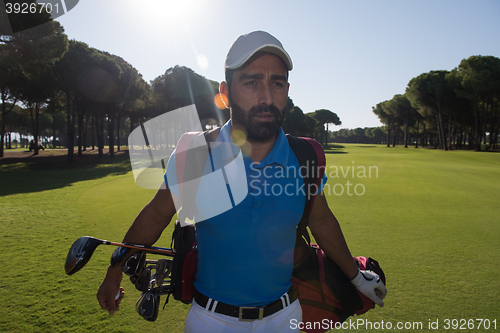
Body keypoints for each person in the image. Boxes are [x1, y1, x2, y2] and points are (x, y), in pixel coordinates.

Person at [97, 31, 386, 332]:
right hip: (210, 319)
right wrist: (115, 268)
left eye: (277, 82)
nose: (267, 97)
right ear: (225, 93)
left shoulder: (304, 156)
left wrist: (355, 276)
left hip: (285, 318)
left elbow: (322, 220)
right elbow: (156, 215)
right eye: (252, 82)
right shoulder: (195, 154)